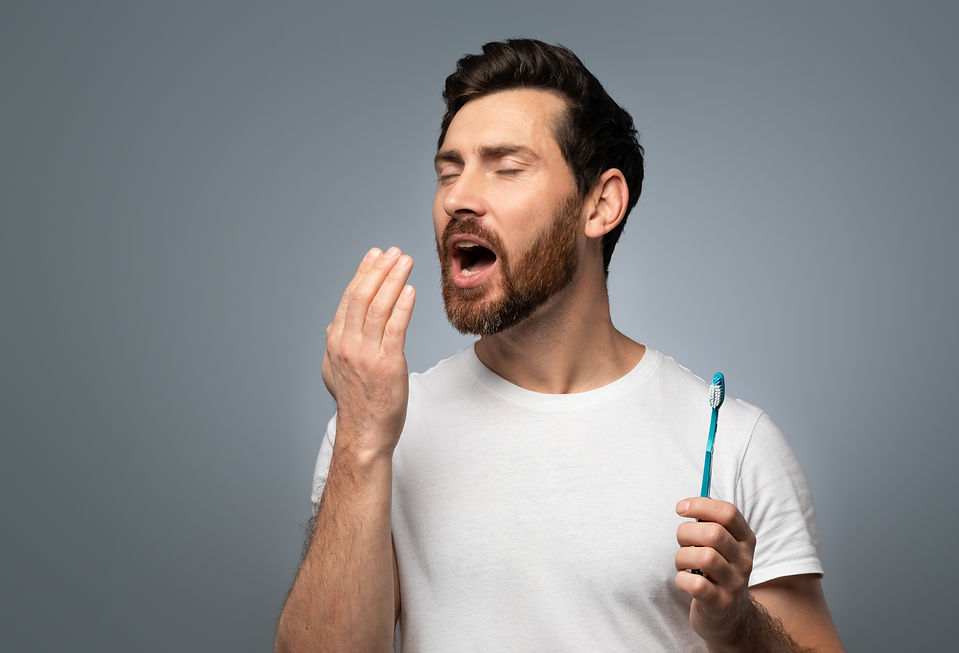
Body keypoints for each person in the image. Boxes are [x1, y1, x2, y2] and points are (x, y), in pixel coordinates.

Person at [275, 39, 844, 652]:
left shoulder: (734, 441)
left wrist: (737, 627)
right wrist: (361, 437)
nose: (458, 198)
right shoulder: (379, 429)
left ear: (600, 204)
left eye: (505, 166)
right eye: (449, 171)